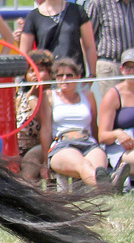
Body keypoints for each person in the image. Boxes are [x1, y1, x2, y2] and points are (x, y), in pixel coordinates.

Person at [39, 57, 124, 190]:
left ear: (77, 77)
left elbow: (94, 125)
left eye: (69, 75)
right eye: (60, 75)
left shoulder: (88, 95)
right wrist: (45, 161)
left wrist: (98, 145)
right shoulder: (49, 96)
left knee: (98, 167)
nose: (64, 79)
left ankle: (106, 184)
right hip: (62, 144)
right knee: (82, 164)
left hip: (88, 142)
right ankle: (111, 185)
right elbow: (46, 130)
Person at [20, 0, 96, 77]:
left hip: (74, 76)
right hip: (47, 78)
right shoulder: (33, 16)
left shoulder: (77, 11)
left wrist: (92, 75)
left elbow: (90, 46)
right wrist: (26, 78)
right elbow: (24, 54)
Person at [86, 0, 134, 96]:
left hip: (132, 66)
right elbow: (88, 36)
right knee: (112, 107)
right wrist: (91, 70)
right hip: (110, 65)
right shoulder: (100, 0)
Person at [97, 47, 134, 189]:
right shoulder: (113, 95)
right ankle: (116, 177)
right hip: (121, 149)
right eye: (128, 67)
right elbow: (102, 136)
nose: (131, 71)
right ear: (122, 69)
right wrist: (118, 133)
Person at [16, 49, 55, 183]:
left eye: (40, 70)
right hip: (17, 147)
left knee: (29, 164)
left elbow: (41, 120)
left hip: (40, 146)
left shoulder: (51, 96)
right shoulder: (21, 97)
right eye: (32, 71)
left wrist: (36, 93)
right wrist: (31, 94)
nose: (35, 74)